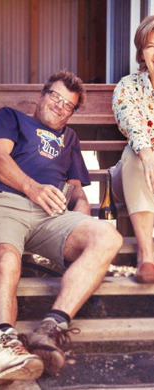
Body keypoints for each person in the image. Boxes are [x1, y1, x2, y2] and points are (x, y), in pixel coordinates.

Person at [0, 70, 123, 383]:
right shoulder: (11, 117)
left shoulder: (70, 140)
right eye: (55, 96)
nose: (59, 105)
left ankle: (50, 329)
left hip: (51, 217)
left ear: (72, 112)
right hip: (4, 202)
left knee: (107, 236)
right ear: (42, 95)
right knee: (7, 260)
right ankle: (5, 345)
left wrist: (81, 219)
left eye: (68, 105)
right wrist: (32, 188)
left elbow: (78, 192)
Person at [111, 15, 154, 284]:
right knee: (134, 153)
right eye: (151, 46)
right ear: (142, 53)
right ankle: (147, 255)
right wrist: (147, 153)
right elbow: (131, 121)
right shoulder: (129, 86)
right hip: (131, 177)